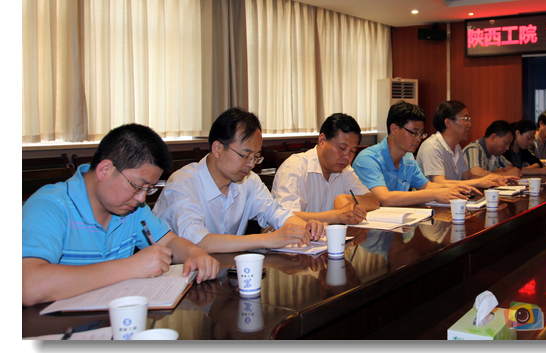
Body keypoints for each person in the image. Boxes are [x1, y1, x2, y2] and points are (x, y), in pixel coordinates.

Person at [22, 124, 220, 307]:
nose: (142, 198)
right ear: (105, 170)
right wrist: (130, 267)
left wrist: (195, 253)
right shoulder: (49, 206)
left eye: (149, 189)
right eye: (137, 186)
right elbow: (27, 285)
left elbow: (169, 242)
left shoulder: (133, 209)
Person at [152, 108, 325, 254]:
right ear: (217, 148)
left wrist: (302, 228)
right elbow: (198, 242)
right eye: (245, 155)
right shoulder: (183, 184)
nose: (251, 164)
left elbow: (276, 213)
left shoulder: (249, 180)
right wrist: (268, 239)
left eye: (256, 157)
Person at [352, 101, 478, 207]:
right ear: (394, 129)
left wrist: (456, 189)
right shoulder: (368, 159)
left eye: (421, 133)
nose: (418, 139)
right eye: (414, 132)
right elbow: (385, 198)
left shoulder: (408, 158)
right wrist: (435, 194)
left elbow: (426, 186)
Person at [272, 113, 380, 224]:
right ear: (322, 140)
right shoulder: (295, 167)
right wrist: (336, 216)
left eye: (352, 151)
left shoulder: (345, 170)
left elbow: (373, 201)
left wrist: (346, 198)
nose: (347, 157)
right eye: (342, 148)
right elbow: (286, 217)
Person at [416, 100, 513, 188]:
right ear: (448, 123)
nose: (469, 124)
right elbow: (439, 183)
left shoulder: (457, 147)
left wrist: (497, 179)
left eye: (469, 120)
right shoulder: (432, 146)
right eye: (465, 119)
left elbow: (468, 177)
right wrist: (480, 182)